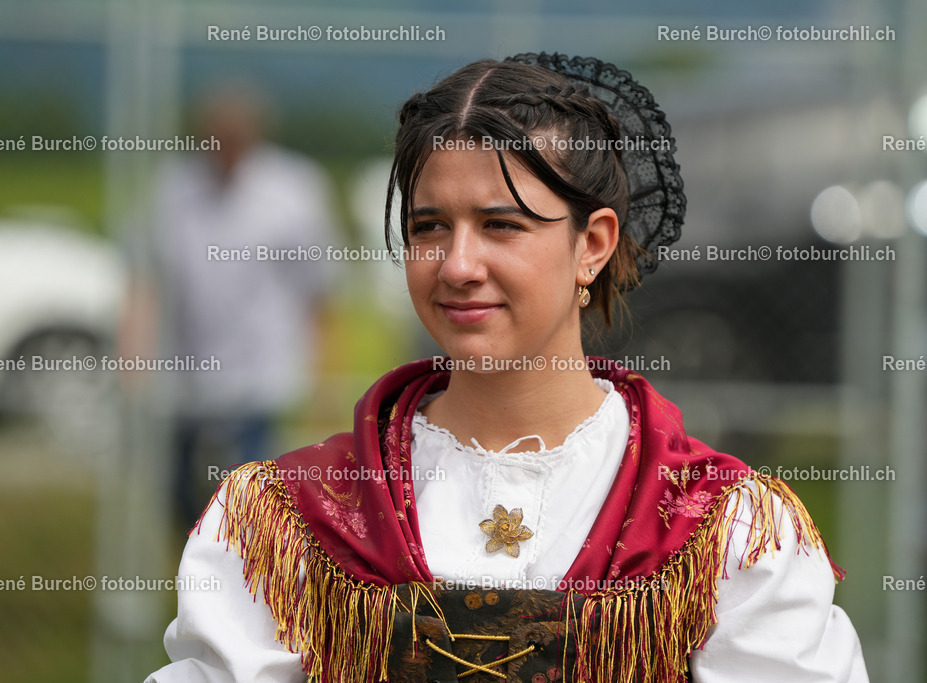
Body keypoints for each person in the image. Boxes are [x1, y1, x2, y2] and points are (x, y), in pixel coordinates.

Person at [146, 53, 869, 682]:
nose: (459, 265)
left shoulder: (727, 530)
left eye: (502, 224)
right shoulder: (287, 519)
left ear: (594, 244)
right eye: (429, 226)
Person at [145, 84, 337, 528]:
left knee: (250, 493)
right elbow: (147, 278)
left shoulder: (294, 190)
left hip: (260, 373)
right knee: (178, 493)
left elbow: (320, 289)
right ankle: (204, 569)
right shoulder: (174, 190)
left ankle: (245, 579)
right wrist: (135, 358)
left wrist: (324, 372)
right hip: (185, 374)